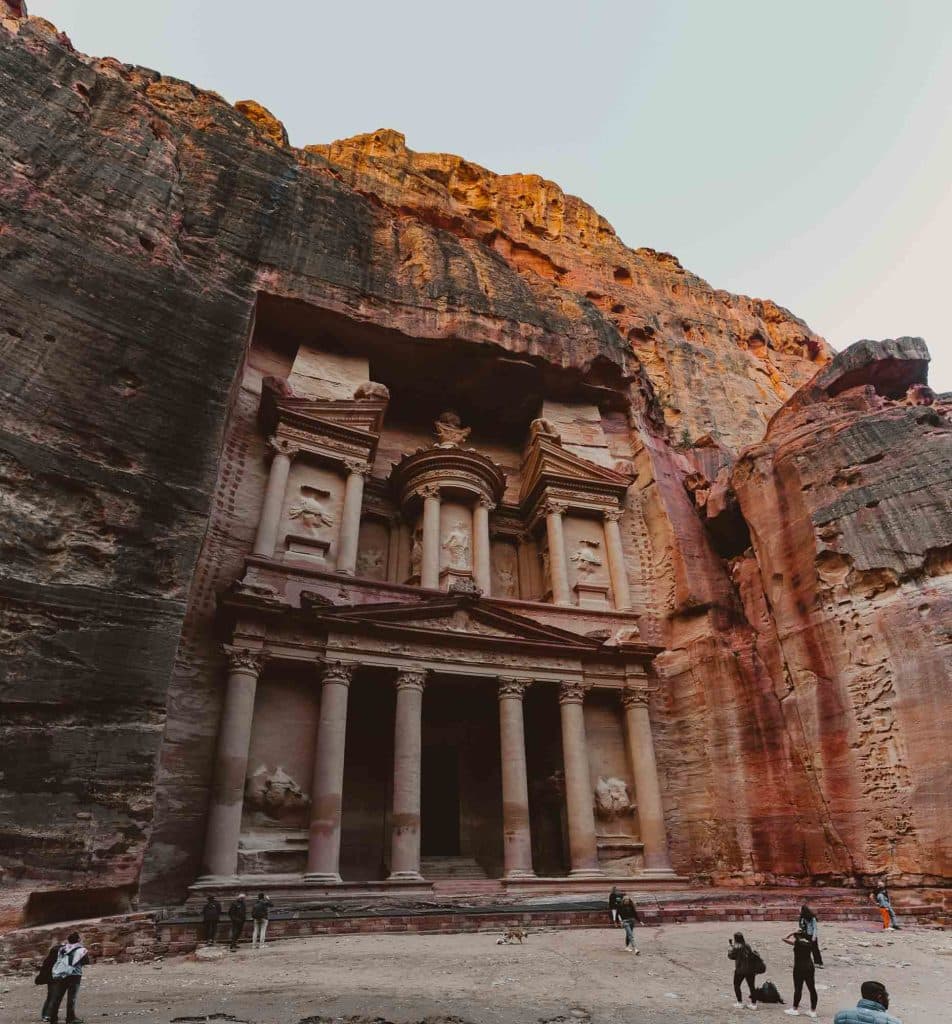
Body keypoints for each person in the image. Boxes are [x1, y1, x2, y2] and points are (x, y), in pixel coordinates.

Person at [46, 931, 90, 1024]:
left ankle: (53, 1018)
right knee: (71, 998)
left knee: (58, 997)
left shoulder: (62, 949)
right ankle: (70, 1018)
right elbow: (86, 961)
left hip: (62, 974)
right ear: (78, 939)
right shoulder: (81, 950)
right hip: (75, 975)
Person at [782, 927, 818, 1018]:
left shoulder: (797, 943)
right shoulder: (809, 942)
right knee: (812, 989)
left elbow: (784, 938)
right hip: (810, 967)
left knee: (798, 988)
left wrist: (792, 932)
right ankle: (813, 1011)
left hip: (799, 968)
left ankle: (795, 1009)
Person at [833, 980, 901, 1024]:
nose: (888, 999)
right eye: (886, 996)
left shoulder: (841, 1016)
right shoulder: (893, 1022)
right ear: (879, 997)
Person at [728, 932, 758, 1010]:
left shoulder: (736, 947)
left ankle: (740, 1002)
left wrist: (730, 948)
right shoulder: (747, 945)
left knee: (736, 985)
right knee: (751, 986)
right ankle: (753, 1004)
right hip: (750, 970)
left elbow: (731, 956)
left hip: (740, 970)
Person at [34, 938, 59, 1022]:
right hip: (53, 981)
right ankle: (47, 1015)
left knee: (50, 997)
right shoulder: (55, 961)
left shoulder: (48, 960)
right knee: (52, 997)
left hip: (51, 981)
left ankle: (46, 1014)